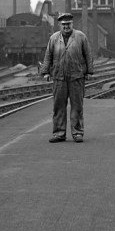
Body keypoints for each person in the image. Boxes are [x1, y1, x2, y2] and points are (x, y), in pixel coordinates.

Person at [41, 12, 94, 143]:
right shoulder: (53, 38)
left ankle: (77, 133)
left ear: (72, 24)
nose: (66, 27)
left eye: (68, 24)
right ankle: (59, 133)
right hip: (59, 77)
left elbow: (88, 54)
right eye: (63, 25)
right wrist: (45, 72)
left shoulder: (81, 37)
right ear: (60, 25)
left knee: (77, 106)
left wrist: (89, 72)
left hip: (77, 76)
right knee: (58, 106)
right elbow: (48, 56)